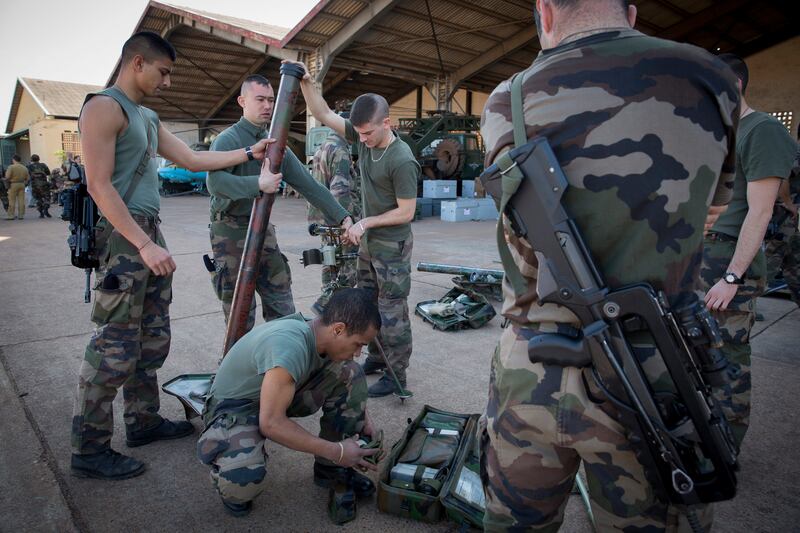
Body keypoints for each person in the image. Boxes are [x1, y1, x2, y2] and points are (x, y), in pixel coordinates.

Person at [479, 0, 740, 530]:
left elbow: (515, 228)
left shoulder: (510, 98)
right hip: (658, 367)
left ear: (545, 12)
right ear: (633, 13)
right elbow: (713, 202)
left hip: (533, 361)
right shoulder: (713, 76)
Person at [70, 31, 273, 481]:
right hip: (124, 237)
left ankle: (142, 421)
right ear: (137, 62)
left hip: (147, 231)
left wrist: (247, 151)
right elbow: (99, 186)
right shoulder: (104, 107)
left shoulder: (145, 115)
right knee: (114, 347)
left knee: (151, 337)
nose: (167, 82)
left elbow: (192, 159)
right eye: (163, 72)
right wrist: (142, 243)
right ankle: (89, 447)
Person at [293, 62, 420, 398]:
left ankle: (399, 376)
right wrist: (308, 82)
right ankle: (378, 358)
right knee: (368, 306)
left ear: (386, 124)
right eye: (358, 133)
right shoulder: (364, 136)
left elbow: (407, 211)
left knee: (393, 313)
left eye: (368, 133)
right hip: (369, 246)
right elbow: (321, 112)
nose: (361, 139)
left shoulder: (401, 159)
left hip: (392, 248)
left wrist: (366, 222)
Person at [197, 288, 381, 517]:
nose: (359, 352)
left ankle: (330, 470)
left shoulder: (319, 334)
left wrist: (362, 415)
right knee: (242, 483)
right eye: (357, 344)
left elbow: (344, 375)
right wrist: (337, 451)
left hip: (277, 393)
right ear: (338, 329)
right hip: (237, 407)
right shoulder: (289, 345)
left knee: (351, 372)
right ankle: (223, 455)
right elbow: (271, 423)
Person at [206, 75, 353, 333]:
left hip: (264, 231)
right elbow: (215, 184)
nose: (267, 106)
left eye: (271, 100)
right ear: (242, 101)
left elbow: (309, 185)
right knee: (239, 312)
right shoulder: (228, 140)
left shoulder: (276, 142)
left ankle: (283, 361)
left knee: (282, 306)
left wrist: (343, 217)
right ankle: (238, 366)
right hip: (231, 233)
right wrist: (258, 184)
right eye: (259, 99)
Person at [700, 53, 797, 445]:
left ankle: (726, 447)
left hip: (727, 263)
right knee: (698, 357)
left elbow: (759, 213)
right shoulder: (718, 134)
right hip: (701, 259)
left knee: (728, 364)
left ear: (733, 86)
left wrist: (732, 278)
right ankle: (703, 437)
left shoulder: (763, 130)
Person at [308, 124, 362, 313]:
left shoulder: (322, 148)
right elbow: (339, 191)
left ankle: (330, 308)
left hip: (323, 218)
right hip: (339, 220)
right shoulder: (340, 151)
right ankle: (327, 304)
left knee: (330, 262)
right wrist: (347, 222)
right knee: (351, 264)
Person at [763, 124, 800, 305]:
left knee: (793, 264)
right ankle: (750, 301)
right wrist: (788, 203)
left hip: (791, 221)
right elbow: (782, 177)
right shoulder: (796, 153)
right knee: (771, 260)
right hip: (785, 218)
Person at [4, 154, 29, 220]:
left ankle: (11, 215)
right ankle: (21, 215)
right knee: (21, 200)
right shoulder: (24, 167)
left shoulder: (11, 167)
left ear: (14, 159)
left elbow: (7, 177)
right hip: (22, 184)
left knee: (12, 200)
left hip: (13, 184)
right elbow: (28, 178)